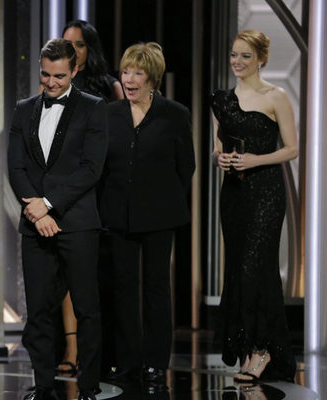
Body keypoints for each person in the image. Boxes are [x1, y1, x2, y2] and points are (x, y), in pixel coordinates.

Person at [8, 38, 108, 400]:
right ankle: (44, 385)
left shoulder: (94, 109)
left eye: (59, 76)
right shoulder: (24, 109)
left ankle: (88, 386)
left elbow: (91, 169)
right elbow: (15, 166)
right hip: (36, 224)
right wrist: (35, 210)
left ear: (75, 70)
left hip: (77, 222)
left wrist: (47, 204)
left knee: (86, 308)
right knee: (38, 309)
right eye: (46, 75)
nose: (51, 83)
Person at [100, 42, 195, 387]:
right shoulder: (109, 114)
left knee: (156, 288)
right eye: (126, 71)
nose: (129, 79)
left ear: (152, 77)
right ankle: (127, 360)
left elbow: (187, 167)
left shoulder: (174, 114)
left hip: (159, 215)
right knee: (123, 288)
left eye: (138, 72)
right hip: (117, 215)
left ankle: (156, 362)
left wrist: (162, 198)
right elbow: (102, 166)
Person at [211, 29, 298, 383]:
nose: (237, 62)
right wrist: (221, 158)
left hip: (266, 193)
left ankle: (263, 349)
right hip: (233, 194)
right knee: (237, 268)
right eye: (234, 55)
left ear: (261, 58)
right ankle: (247, 348)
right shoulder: (221, 99)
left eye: (245, 56)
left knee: (255, 269)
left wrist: (256, 159)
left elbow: (292, 148)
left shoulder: (276, 97)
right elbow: (218, 146)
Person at [56, 19, 124, 378]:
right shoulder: (55, 85)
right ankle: (71, 347)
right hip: (62, 191)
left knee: (93, 276)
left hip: (99, 191)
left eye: (79, 45)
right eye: (66, 44)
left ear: (90, 50)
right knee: (66, 274)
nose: (72, 51)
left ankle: (97, 351)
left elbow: (124, 139)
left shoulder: (109, 88)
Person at [63, 20, 124, 102]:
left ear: (90, 47)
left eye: (80, 45)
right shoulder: (52, 82)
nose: (73, 50)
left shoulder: (111, 85)